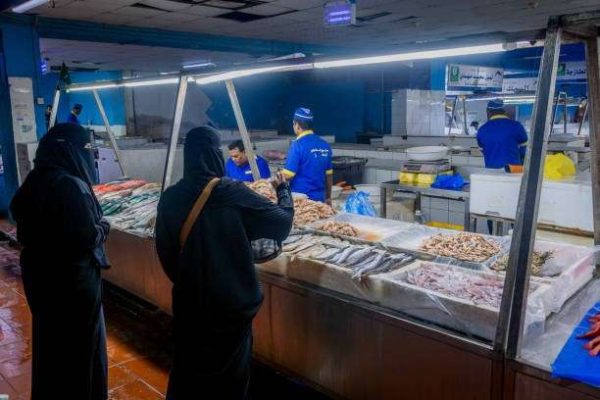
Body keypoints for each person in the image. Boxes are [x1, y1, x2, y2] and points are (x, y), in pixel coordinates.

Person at [155, 126, 294, 400]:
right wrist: (283, 190)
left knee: (188, 374)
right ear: (215, 154)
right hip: (228, 308)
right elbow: (282, 223)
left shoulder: (171, 197)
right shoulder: (229, 192)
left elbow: (165, 253)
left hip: (189, 305)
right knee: (228, 380)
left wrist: (190, 280)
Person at [10, 123, 110, 400]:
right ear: (70, 151)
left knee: (52, 348)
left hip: (41, 279)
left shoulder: (35, 180)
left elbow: (22, 221)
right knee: (80, 351)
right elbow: (86, 235)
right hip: (72, 284)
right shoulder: (69, 185)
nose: (89, 156)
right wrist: (104, 227)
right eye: (85, 149)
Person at [282, 107, 333, 203]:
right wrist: (328, 197)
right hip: (320, 200)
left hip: (301, 201)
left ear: (297, 125)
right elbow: (329, 176)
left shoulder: (298, 145)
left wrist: (269, 184)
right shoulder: (325, 145)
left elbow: (288, 175)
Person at [476, 99, 528, 169]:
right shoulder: (516, 126)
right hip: (514, 169)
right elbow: (525, 149)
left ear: (488, 112)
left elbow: (483, 150)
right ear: (504, 111)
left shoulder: (482, 130)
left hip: (492, 170)